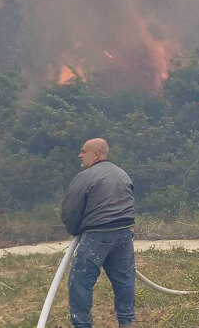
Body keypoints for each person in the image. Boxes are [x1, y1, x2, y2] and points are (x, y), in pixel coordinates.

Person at [61, 138, 136, 328]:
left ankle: (82, 324)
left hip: (97, 235)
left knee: (80, 281)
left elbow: (70, 209)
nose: (79, 155)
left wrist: (74, 230)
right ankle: (126, 322)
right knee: (124, 280)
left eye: (83, 151)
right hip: (124, 234)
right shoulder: (122, 174)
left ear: (96, 154)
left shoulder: (86, 176)